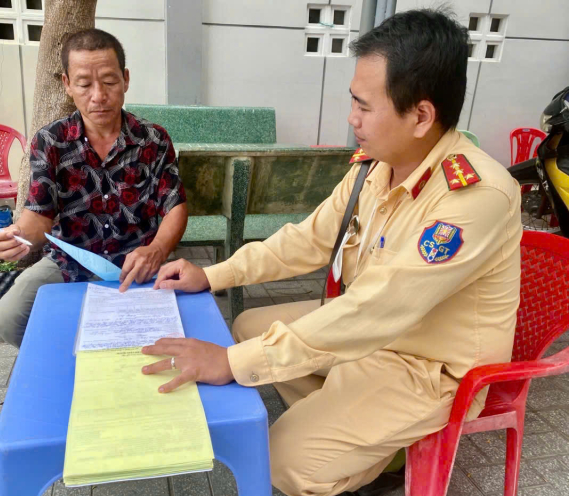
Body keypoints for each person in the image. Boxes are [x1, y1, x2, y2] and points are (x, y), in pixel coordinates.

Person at [141, 9, 522, 496]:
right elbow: (308, 239)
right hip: (374, 335)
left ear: (421, 116)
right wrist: (214, 275)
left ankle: (375, 453)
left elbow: (378, 308)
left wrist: (231, 363)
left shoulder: (474, 195)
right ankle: (355, 433)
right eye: (352, 100)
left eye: (365, 106)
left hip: (429, 366)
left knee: (281, 461)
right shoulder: (377, 166)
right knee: (249, 327)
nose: (351, 118)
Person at [0, 29, 188, 348]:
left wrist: (158, 249)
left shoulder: (154, 140)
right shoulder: (50, 141)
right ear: (67, 84)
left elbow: (174, 206)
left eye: (109, 81)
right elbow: (38, 217)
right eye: (84, 84)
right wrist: (17, 238)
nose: (98, 96)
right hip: (70, 261)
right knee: (11, 316)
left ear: (125, 79)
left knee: (175, 323)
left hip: (139, 262)